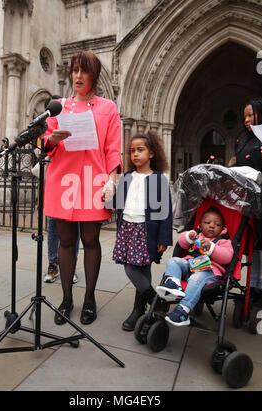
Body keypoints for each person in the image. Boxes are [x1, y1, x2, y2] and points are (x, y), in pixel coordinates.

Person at [43, 50, 122, 325]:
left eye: (83, 71)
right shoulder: (58, 105)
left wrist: (113, 179)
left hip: (92, 181)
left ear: (94, 75)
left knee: (90, 241)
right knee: (65, 242)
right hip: (62, 179)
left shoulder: (108, 108)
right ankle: (66, 299)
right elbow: (46, 145)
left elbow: (113, 148)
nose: (77, 76)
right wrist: (51, 138)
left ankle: (89, 298)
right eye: (74, 70)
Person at [112, 131, 173, 331]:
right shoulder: (128, 177)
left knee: (141, 270)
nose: (135, 154)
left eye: (140, 150)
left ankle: (140, 309)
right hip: (127, 229)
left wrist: (164, 237)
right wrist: (109, 191)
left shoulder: (159, 179)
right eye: (132, 151)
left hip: (146, 231)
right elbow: (117, 203)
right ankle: (155, 301)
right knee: (131, 268)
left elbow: (165, 211)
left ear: (152, 153)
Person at [156, 207, 233, 326]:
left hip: (209, 271)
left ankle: (183, 310)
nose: (212, 226)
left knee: (196, 277)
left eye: (217, 224)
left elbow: (227, 256)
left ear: (222, 228)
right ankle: (173, 284)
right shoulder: (197, 236)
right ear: (200, 226)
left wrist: (212, 248)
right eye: (207, 223)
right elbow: (182, 243)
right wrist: (188, 235)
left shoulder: (224, 241)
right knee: (174, 261)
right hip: (190, 265)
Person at [35, 95, 80, 284]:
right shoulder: (43, 129)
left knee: (74, 228)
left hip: (71, 185)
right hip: (52, 186)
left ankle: (71, 265)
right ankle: (53, 264)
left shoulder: (71, 126)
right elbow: (40, 152)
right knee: (53, 227)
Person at [235, 98, 262, 294]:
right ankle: (253, 287)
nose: (246, 120)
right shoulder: (245, 139)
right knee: (253, 244)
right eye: (244, 116)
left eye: (250, 115)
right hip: (246, 200)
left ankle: (259, 286)